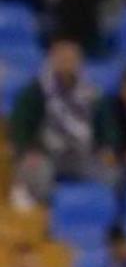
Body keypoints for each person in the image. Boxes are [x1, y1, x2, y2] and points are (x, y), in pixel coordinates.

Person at [9, 39, 111, 208]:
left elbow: (105, 127)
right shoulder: (36, 91)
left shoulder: (93, 93)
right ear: (52, 61)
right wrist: (29, 149)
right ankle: (46, 213)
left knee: (110, 176)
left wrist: (105, 148)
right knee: (36, 170)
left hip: (82, 153)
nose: (67, 65)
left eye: (72, 60)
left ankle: (102, 218)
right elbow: (20, 126)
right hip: (45, 153)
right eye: (62, 60)